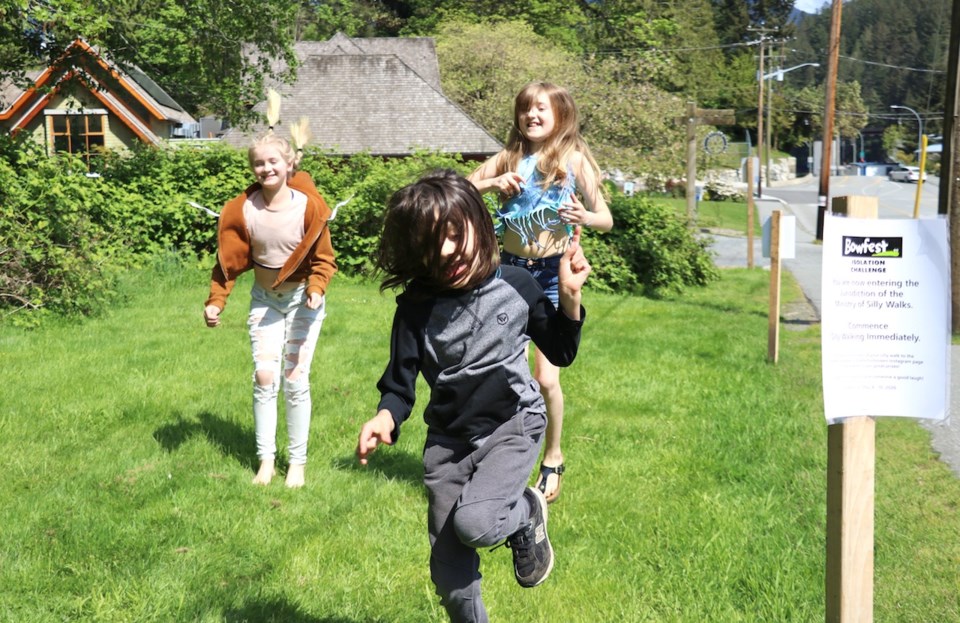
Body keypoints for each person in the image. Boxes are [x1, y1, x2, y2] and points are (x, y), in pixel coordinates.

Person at [356, 170, 591, 623]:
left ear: (478, 225)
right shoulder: (415, 309)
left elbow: (561, 349)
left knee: (477, 524)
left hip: (513, 424)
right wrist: (385, 416)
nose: (447, 252)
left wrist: (568, 296)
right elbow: (399, 383)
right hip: (448, 445)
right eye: (431, 244)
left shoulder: (516, 285)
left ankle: (525, 511)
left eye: (454, 235)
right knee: (449, 578)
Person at [468, 81, 612, 504]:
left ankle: (552, 455)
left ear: (560, 117)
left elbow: (604, 218)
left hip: (551, 275)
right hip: (507, 273)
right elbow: (459, 188)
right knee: (497, 371)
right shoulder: (508, 157)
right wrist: (493, 185)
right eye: (526, 109)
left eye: (541, 110)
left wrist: (586, 213)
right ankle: (496, 454)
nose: (532, 116)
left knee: (546, 376)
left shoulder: (573, 160)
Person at [203, 90, 337, 488]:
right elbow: (227, 262)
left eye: (273, 161)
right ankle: (266, 460)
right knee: (264, 378)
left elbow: (325, 259)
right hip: (265, 301)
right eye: (258, 164)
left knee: (295, 378)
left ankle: (297, 463)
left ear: (289, 163)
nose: (265, 169)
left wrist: (316, 287)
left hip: (302, 302)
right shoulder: (240, 209)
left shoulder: (309, 206)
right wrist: (216, 301)